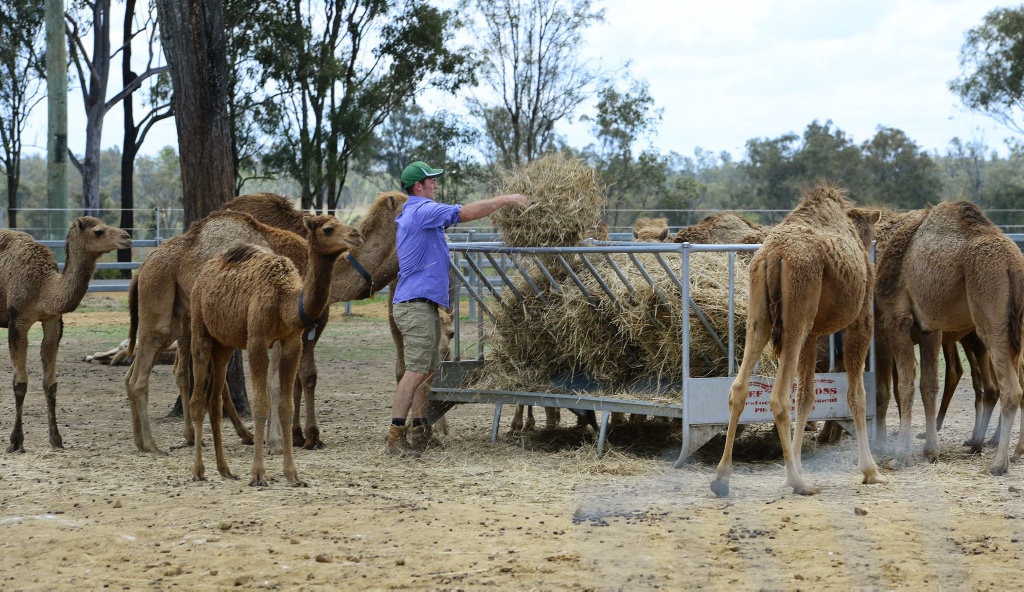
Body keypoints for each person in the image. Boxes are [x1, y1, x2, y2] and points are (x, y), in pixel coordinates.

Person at [387, 161, 529, 457]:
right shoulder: (423, 211)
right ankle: (395, 436)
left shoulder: (415, 213)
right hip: (414, 305)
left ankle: (421, 430)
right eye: (432, 181)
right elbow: (467, 212)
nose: (436, 186)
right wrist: (507, 200)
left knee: (426, 372)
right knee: (414, 372)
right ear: (418, 187)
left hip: (421, 304)